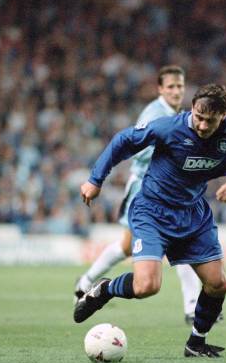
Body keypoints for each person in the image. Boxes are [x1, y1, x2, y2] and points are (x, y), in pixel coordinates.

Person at [77, 84, 226, 357]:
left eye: (209, 120)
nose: (200, 125)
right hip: (152, 211)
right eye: (197, 116)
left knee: (218, 284)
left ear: (223, 115)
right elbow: (123, 141)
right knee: (147, 287)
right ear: (192, 108)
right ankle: (104, 289)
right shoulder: (169, 127)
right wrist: (95, 179)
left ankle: (196, 342)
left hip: (192, 215)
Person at [73, 66, 202, 324]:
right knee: (161, 245)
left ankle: (85, 282)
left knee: (134, 246)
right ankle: (191, 309)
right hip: (146, 188)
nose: (177, 91)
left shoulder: (177, 115)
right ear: (160, 89)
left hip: (164, 190)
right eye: (171, 87)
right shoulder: (156, 113)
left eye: (180, 86)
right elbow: (137, 148)